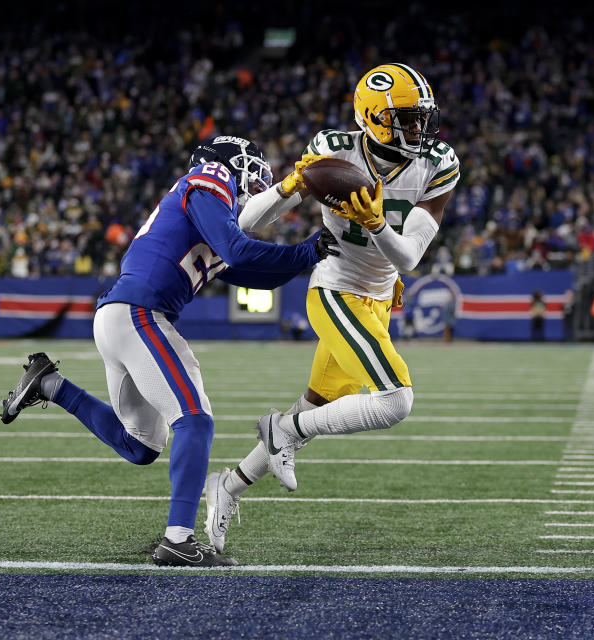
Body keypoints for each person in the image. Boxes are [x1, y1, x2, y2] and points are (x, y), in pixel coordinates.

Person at [0, 135, 338, 566]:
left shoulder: (207, 210)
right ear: (232, 164)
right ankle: (178, 540)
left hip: (121, 316)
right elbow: (237, 250)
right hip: (141, 313)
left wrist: (310, 253)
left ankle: (50, 384)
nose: (255, 188)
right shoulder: (208, 180)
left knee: (140, 445)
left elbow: (254, 274)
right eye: (252, 173)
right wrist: (307, 247)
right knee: (194, 421)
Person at [201, 63, 460, 554]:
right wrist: (291, 184)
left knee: (313, 409)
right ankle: (283, 429)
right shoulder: (333, 151)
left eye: (422, 117)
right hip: (336, 289)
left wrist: (378, 224)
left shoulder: (438, 163)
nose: (418, 128)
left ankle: (228, 486)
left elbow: (409, 257)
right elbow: (247, 223)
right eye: (406, 118)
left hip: (379, 297)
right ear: (373, 117)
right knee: (395, 399)